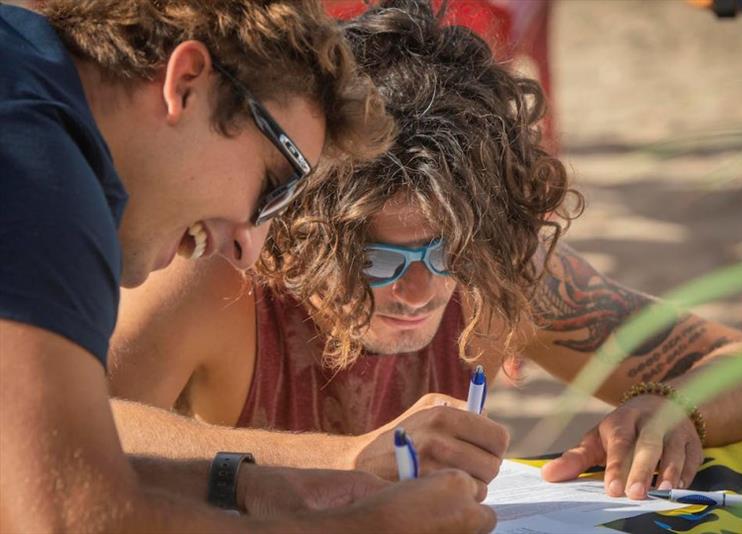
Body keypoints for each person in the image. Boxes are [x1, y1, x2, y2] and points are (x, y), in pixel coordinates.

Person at [108, 0, 742, 504]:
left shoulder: (489, 270)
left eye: (444, 254)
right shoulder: (221, 278)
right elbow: (70, 426)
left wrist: (675, 405)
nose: (419, 290)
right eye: (376, 261)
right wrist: (343, 460)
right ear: (300, 232)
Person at [0, 1, 497, 532]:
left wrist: (249, 484)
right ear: (187, 82)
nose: (249, 246)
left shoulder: (28, 79)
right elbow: (63, 516)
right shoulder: (36, 167)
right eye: (274, 184)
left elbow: (40, 466)